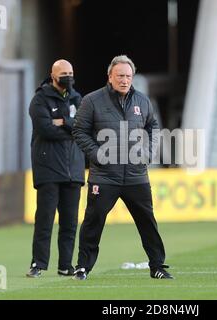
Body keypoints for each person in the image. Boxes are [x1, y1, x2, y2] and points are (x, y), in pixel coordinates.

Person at [72, 55, 173, 280]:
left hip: (136, 175)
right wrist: (97, 153)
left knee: (147, 222)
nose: (124, 80)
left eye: (128, 76)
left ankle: (157, 266)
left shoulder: (143, 101)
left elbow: (153, 126)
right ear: (110, 77)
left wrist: (148, 152)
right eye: (120, 76)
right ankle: (83, 267)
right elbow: (79, 131)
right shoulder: (92, 100)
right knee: (93, 221)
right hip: (105, 176)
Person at [26, 59, 85, 277]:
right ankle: (38, 264)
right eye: (63, 73)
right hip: (48, 168)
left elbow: (83, 126)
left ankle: (65, 265)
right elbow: (45, 129)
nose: (68, 77)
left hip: (74, 168)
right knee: (45, 220)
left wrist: (62, 122)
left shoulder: (78, 98)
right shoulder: (39, 100)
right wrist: (70, 125)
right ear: (53, 75)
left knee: (70, 223)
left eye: (70, 72)